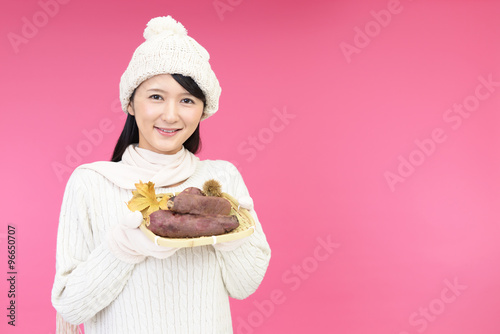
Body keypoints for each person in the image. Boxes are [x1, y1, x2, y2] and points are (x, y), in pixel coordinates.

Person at [51, 15, 271, 334]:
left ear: (202, 109)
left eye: (186, 100)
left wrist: (234, 236)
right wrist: (121, 248)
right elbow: (70, 305)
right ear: (131, 102)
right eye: (156, 96)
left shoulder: (222, 178)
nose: (170, 114)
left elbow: (244, 286)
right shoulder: (91, 182)